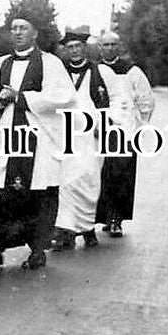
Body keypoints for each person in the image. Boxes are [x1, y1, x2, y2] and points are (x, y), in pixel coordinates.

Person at [0, 16, 75, 270]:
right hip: (3, 139)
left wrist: (21, 96)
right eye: (13, 28)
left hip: (38, 140)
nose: (17, 32)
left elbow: (63, 98)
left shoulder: (50, 63)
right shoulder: (1, 63)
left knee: (38, 196)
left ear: (35, 33)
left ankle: (37, 251)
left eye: (23, 28)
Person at [50, 31, 114, 251]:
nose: (75, 50)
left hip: (91, 136)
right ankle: (65, 231)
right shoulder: (59, 73)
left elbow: (113, 100)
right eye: (70, 47)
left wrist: (104, 125)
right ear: (66, 50)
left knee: (88, 179)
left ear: (85, 48)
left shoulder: (99, 72)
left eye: (78, 46)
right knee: (65, 182)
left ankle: (87, 227)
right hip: (65, 134)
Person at [96, 31, 155, 237]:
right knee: (100, 174)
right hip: (98, 131)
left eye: (114, 44)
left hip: (124, 132)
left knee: (121, 174)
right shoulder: (95, 70)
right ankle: (101, 216)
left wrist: (136, 124)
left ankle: (116, 218)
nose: (110, 48)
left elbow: (146, 101)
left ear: (119, 47)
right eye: (106, 45)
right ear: (99, 48)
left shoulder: (132, 72)